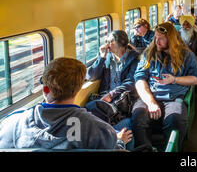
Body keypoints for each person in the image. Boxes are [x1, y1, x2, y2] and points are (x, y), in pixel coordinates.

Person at [0, 57, 130, 150]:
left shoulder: (11, 122)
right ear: (79, 89)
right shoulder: (100, 130)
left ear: (45, 90)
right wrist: (119, 141)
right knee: (127, 125)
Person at [131, 22, 197, 150]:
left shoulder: (186, 55)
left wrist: (174, 79)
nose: (157, 41)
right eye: (156, 38)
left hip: (173, 98)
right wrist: (151, 102)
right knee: (138, 116)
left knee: (175, 120)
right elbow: (140, 80)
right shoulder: (149, 54)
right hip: (151, 96)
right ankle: (145, 149)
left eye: (161, 38)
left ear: (171, 39)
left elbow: (195, 79)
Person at [85, 30, 140, 145]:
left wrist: (111, 94)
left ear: (121, 43)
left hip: (124, 99)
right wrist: (101, 57)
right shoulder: (107, 57)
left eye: (109, 41)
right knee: (88, 111)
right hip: (107, 98)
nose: (107, 44)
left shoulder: (135, 59)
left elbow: (131, 82)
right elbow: (91, 76)